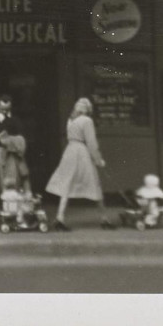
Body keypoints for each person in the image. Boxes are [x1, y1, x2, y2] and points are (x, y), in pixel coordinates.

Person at [45, 97, 116, 231]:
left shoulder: (71, 120)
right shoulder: (87, 121)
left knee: (67, 184)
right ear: (88, 109)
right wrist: (98, 160)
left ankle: (60, 217)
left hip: (70, 152)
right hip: (82, 153)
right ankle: (104, 219)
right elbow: (91, 143)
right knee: (94, 184)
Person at [0, 94, 26, 208]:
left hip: (10, 151)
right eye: (2, 108)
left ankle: (10, 208)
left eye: (7, 109)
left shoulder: (16, 120)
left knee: (10, 179)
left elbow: (20, 135)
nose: (4, 111)